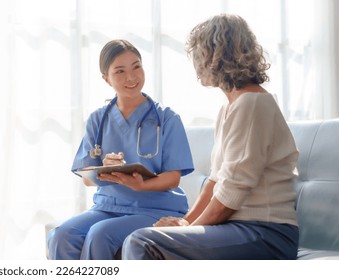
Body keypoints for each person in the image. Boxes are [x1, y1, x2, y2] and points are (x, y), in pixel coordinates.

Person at [122, 14, 300, 260]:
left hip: (266, 233)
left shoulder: (252, 104)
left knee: (143, 242)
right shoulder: (229, 108)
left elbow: (232, 192)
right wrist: (184, 222)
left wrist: (188, 229)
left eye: (200, 54)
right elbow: (216, 181)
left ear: (220, 55)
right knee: (149, 236)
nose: (196, 64)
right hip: (238, 228)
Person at [46, 39, 195, 260]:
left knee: (100, 234)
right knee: (60, 235)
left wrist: (142, 184)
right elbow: (87, 178)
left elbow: (173, 178)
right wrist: (103, 169)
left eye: (136, 66)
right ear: (106, 78)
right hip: (107, 206)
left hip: (154, 208)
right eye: (120, 71)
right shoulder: (98, 119)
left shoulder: (167, 118)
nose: (131, 77)